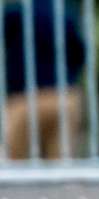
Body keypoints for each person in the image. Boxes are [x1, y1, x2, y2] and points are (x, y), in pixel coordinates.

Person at [2, 0, 88, 160]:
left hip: (24, 98)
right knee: (61, 163)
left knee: (12, 163)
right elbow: (81, 54)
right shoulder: (66, 13)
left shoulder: (16, 13)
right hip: (64, 96)